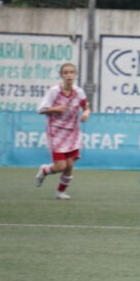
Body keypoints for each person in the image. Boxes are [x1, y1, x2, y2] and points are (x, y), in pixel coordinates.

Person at [35, 62, 91, 199]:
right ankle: (44, 170)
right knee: (60, 166)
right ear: (62, 75)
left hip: (72, 132)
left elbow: (86, 107)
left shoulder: (79, 92)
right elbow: (40, 110)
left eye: (71, 72)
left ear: (75, 75)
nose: (69, 75)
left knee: (70, 165)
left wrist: (86, 113)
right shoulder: (54, 91)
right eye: (66, 72)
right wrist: (56, 109)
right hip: (56, 131)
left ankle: (60, 192)